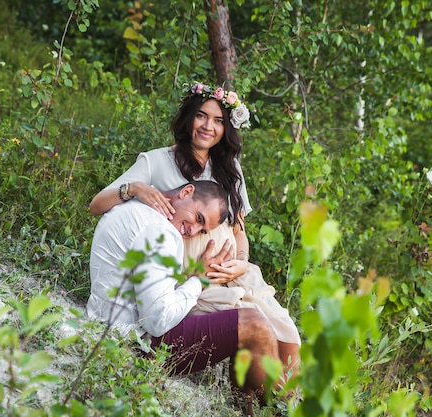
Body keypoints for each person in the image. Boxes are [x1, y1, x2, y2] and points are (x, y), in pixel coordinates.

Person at [88, 82, 300, 382]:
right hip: (184, 273)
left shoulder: (230, 169)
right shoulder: (156, 161)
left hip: (227, 269)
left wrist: (239, 260)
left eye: (218, 121)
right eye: (202, 116)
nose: (208, 126)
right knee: (256, 323)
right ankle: (265, 399)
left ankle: (281, 403)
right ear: (189, 117)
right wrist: (133, 188)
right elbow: (97, 205)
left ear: (227, 128)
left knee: (287, 334)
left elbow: (239, 232)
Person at [87, 180, 279, 414]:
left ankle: (246, 411)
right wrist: (199, 279)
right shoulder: (162, 232)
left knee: (237, 320)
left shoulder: (126, 208)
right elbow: (157, 321)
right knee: (254, 325)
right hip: (132, 347)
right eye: (198, 218)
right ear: (186, 191)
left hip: (103, 327)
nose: (193, 231)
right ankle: (281, 410)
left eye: (202, 230)